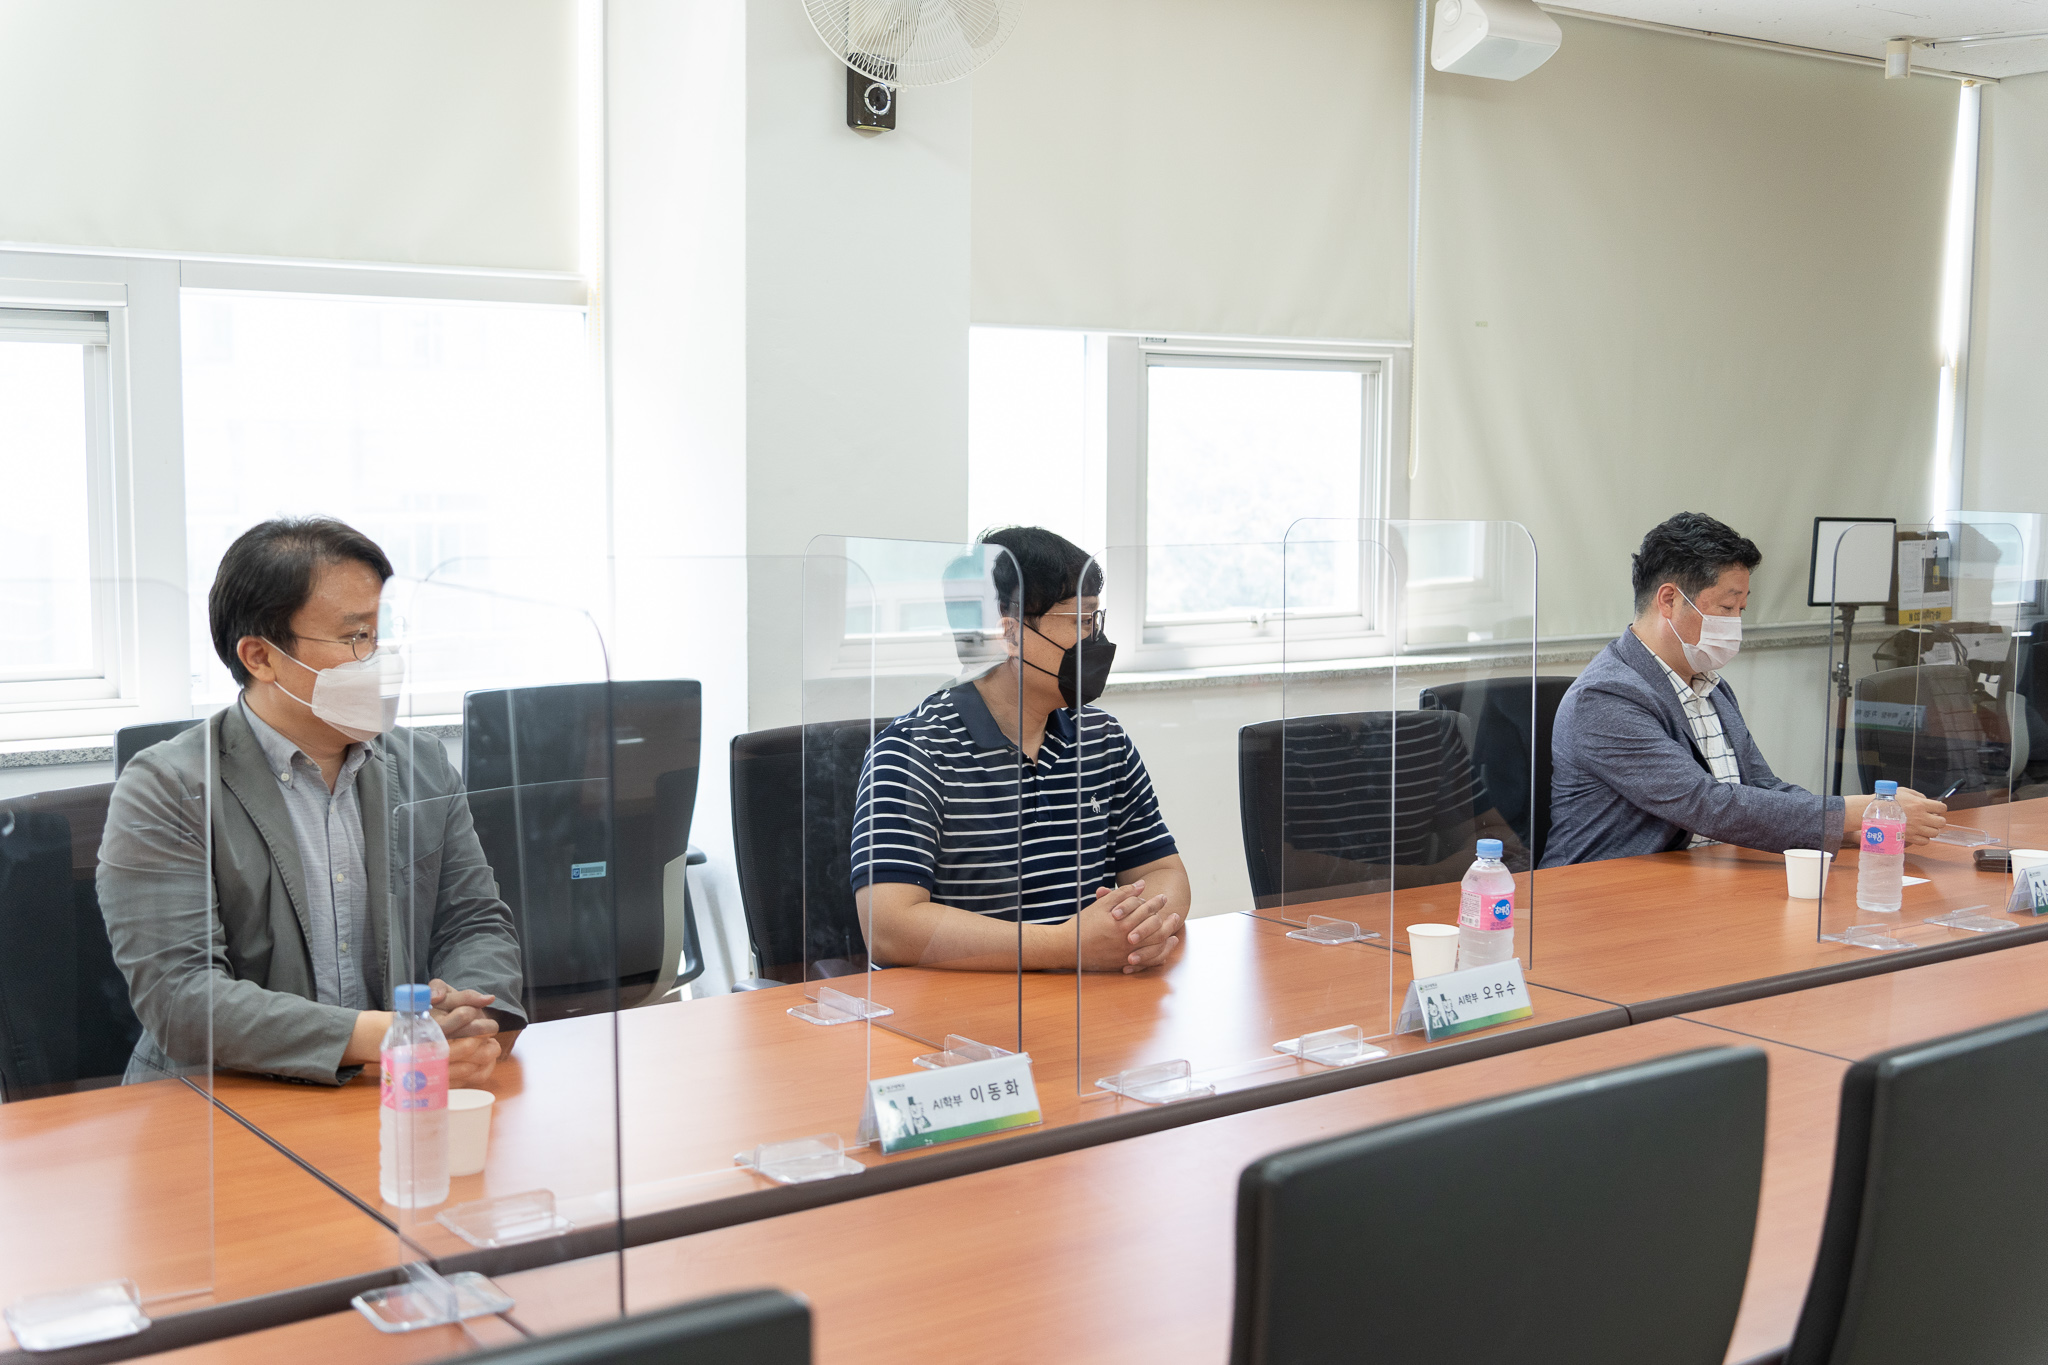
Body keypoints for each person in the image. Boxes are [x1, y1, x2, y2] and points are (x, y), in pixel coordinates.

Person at [98, 518, 524, 1087]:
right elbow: (182, 998)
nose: (378, 658)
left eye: (382, 635)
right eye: (356, 637)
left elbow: (474, 922)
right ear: (260, 656)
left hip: (394, 1088)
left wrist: (469, 1019)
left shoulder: (421, 763)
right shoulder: (165, 787)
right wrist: (390, 1036)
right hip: (221, 1100)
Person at [851, 527, 1190, 973]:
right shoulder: (913, 752)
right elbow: (888, 927)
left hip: (1088, 996)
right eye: (1080, 621)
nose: (1096, 640)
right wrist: (1066, 946)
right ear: (1010, 635)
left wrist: (1135, 930)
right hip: (966, 1012)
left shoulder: (1103, 738)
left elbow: (1165, 874)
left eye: (1096, 620)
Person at [1544, 512, 1948, 867]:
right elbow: (1705, 804)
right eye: (1726, 607)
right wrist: (1854, 810)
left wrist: (1846, 831)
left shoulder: (1709, 684)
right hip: (1602, 891)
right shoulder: (1606, 697)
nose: (1736, 623)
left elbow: (1762, 787)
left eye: (1742, 610)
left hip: (1697, 877)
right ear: (1668, 600)